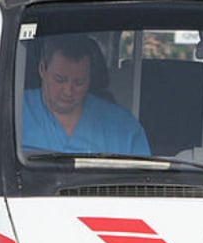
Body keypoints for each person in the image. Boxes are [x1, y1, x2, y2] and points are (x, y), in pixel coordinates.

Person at [22, 34, 151, 155]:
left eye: (79, 82)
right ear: (42, 69)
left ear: (90, 78)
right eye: (60, 80)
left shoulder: (124, 128)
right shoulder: (14, 112)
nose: (68, 91)